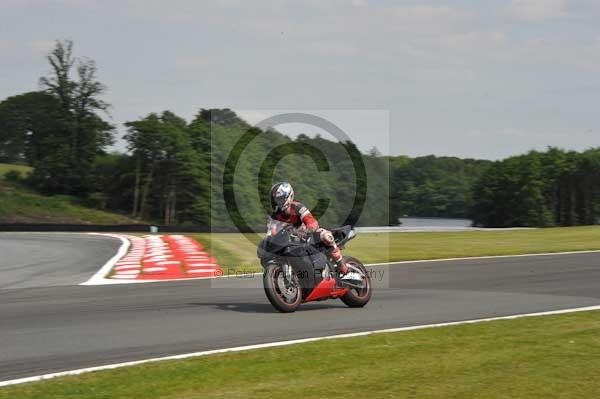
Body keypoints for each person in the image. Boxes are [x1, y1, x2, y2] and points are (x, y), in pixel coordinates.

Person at [269, 181, 361, 283]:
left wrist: (307, 230)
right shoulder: (275, 216)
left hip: (309, 236)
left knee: (326, 236)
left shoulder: (297, 207)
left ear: (288, 196)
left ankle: (345, 271)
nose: (278, 202)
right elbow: (272, 232)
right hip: (292, 243)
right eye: (276, 200)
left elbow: (311, 222)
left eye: (280, 198)